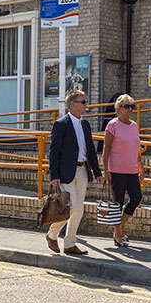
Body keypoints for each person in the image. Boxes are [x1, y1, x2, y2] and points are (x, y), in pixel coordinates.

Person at [47, 89, 103, 256]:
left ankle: (70, 243)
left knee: (79, 209)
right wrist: (54, 175)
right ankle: (52, 235)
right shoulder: (61, 124)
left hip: (83, 170)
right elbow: (54, 151)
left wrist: (97, 171)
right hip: (66, 172)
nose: (86, 105)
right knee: (69, 208)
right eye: (83, 102)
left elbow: (90, 150)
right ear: (72, 104)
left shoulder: (85, 124)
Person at [102, 94, 144, 247]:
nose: (130, 109)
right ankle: (117, 235)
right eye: (127, 106)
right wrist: (105, 170)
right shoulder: (112, 125)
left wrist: (140, 166)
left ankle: (120, 227)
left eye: (132, 106)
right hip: (116, 170)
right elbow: (106, 149)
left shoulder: (134, 125)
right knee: (117, 203)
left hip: (131, 170)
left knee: (136, 197)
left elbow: (135, 148)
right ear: (119, 108)